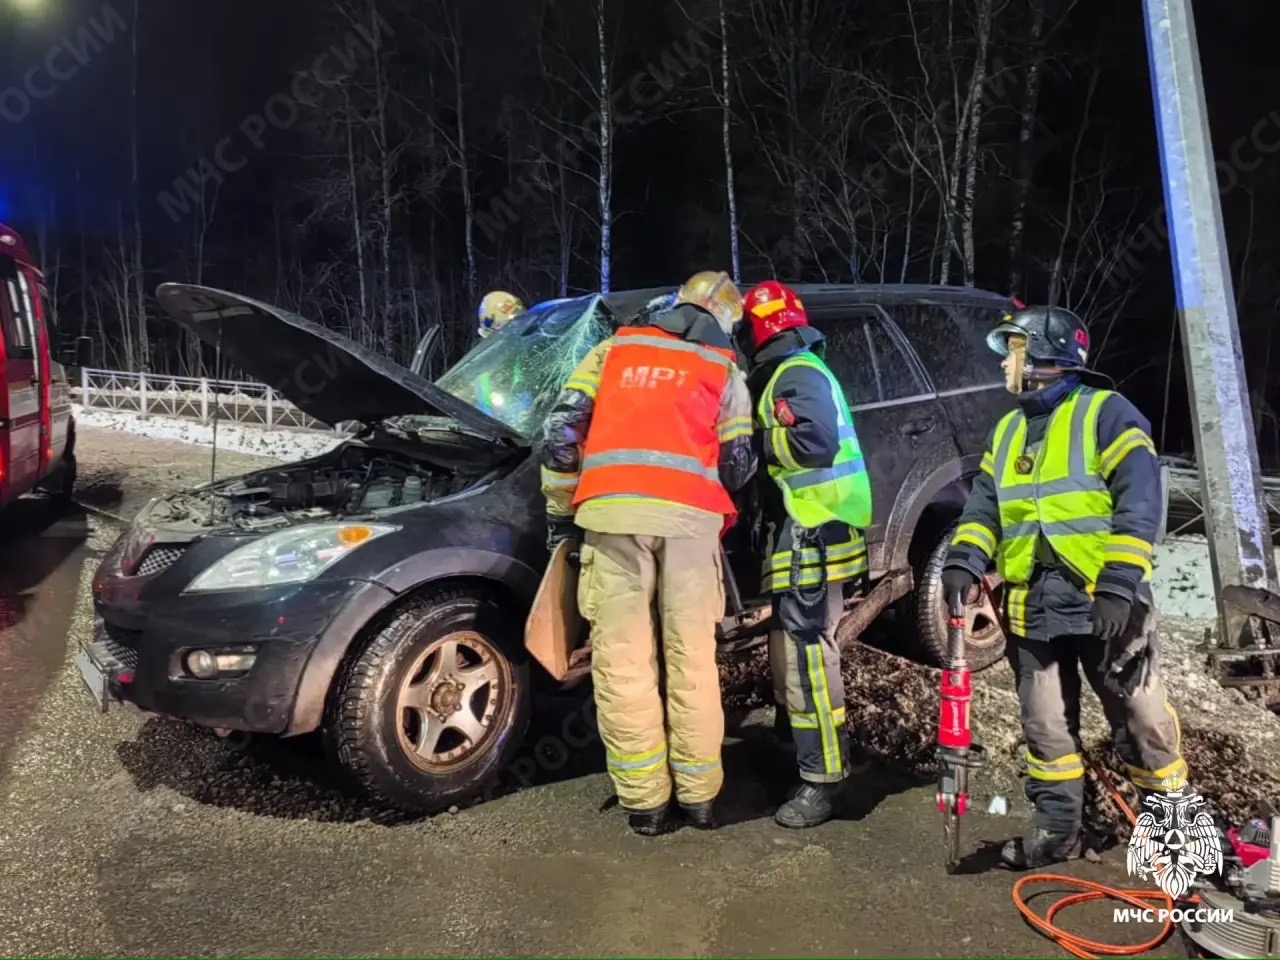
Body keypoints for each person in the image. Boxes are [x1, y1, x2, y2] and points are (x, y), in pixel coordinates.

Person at [940, 304, 1189, 870]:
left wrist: (1119, 585)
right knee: (1046, 727)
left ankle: (1177, 846)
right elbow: (986, 507)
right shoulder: (1007, 430)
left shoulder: (1108, 413)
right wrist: (965, 557)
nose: (1006, 363)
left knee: (1142, 721)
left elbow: (1140, 505)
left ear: (1048, 357)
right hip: (1033, 604)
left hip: (1106, 603)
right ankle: (1057, 836)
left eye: (1016, 351)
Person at [537, 270, 757, 836]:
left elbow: (560, 434)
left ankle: (646, 805)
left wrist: (562, 517)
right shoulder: (723, 368)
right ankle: (701, 797)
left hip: (611, 519)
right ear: (722, 321)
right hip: (689, 524)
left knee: (623, 660)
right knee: (692, 659)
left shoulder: (612, 351)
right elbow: (737, 464)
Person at [741, 280, 873, 829]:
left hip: (812, 540)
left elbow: (813, 445)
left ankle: (824, 780)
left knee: (808, 663)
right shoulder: (797, 368)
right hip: (810, 539)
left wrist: (755, 441)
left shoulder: (794, 373)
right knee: (795, 654)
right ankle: (804, 751)